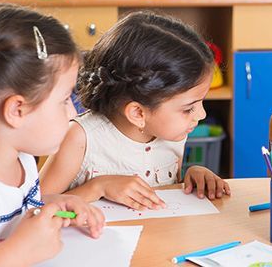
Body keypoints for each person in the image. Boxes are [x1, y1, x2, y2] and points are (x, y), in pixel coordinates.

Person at [0, 3, 104, 265]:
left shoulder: (20, 156)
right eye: (63, 100)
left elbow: (5, 215)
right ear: (17, 110)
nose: (72, 112)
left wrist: (55, 203)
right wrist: (16, 253)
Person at [40, 11, 230, 210]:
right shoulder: (80, 138)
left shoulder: (172, 133)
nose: (202, 115)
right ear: (138, 114)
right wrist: (98, 188)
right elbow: (33, 209)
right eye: (189, 108)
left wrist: (191, 176)